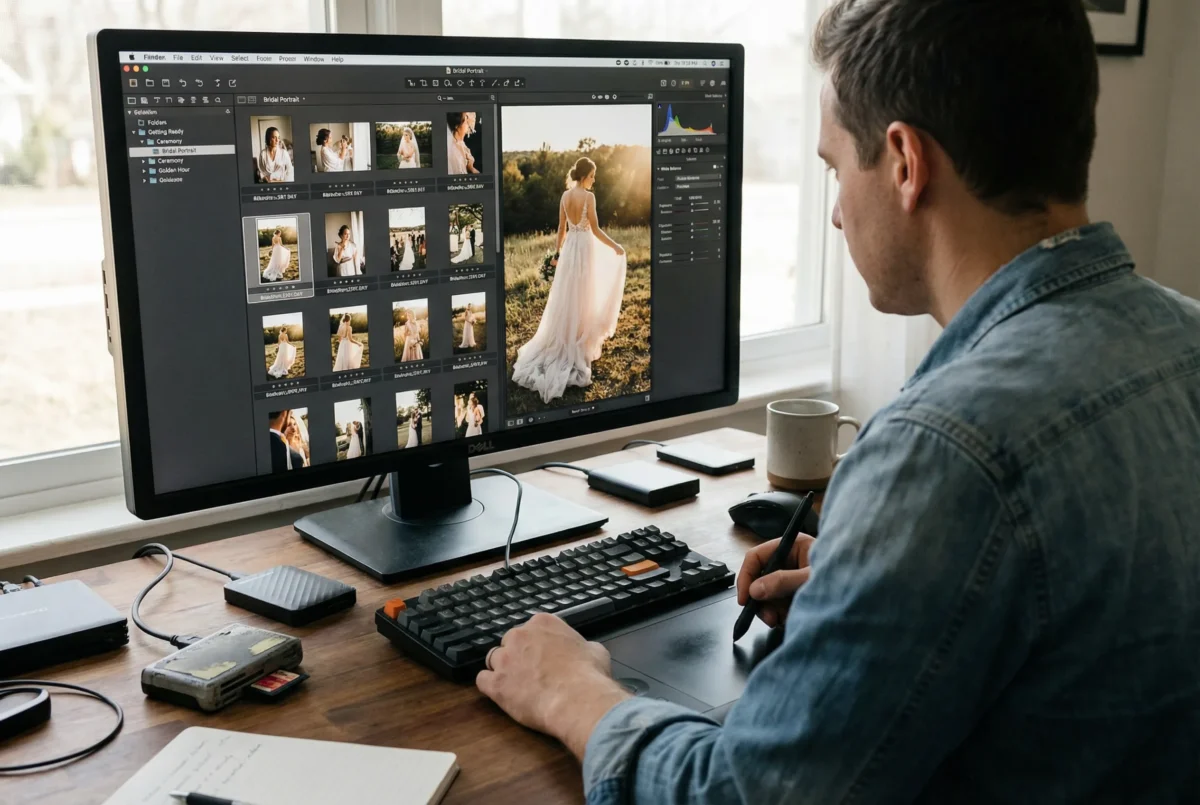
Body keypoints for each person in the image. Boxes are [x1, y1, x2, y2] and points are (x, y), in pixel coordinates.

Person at [474, 2, 1200, 803]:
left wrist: (573, 694)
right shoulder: (1186, 338)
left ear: (904, 163)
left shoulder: (945, 451)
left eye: (833, 168)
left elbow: (745, 794)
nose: (833, 209)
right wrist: (887, 584)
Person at [511, 157, 626, 403]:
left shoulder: (565, 196)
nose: (594, 179)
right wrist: (615, 245)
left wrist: (557, 254)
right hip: (584, 248)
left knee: (567, 295)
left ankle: (570, 334)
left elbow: (561, 228)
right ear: (585, 175)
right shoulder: (589, 197)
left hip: (570, 249)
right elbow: (595, 230)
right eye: (593, 175)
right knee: (583, 292)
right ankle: (577, 340)